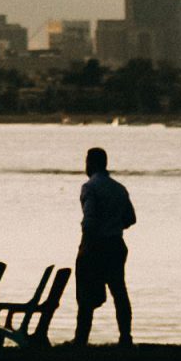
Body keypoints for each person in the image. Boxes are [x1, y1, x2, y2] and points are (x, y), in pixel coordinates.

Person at [73, 145, 136, 343]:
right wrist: (114, 225)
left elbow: (89, 219)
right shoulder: (119, 188)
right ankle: (125, 336)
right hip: (116, 244)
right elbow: (131, 218)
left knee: (85, 294)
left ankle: (81, 338)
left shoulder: (90, 187)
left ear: (91, 163)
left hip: (96, 245)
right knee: (119, 291)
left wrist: (86, 243)